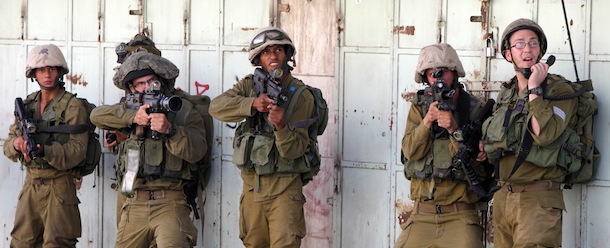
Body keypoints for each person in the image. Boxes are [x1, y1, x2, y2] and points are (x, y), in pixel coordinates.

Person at [209, 27, 314, 247]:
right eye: (266, 52)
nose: (273, 56)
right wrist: (252, 104)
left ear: (287, 55)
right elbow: (216, 107)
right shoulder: (249, 85)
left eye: (278, 50)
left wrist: (281, 126)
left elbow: (295, 151)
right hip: (252, 188)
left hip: (285, 189)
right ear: (258, 58)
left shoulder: (301, 95)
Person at [90, 51, 206, 247]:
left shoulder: (183, 111)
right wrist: (133, 118)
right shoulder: (128, 108)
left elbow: (198, 151)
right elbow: (96, 116)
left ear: (161, 81)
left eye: (151, 82)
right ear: (131, 88)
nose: (146, 88)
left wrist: (170, 130)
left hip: (171, 202)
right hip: (134, 202)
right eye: (140, 84)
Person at [481, 18, 577, 247]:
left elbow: (544, 134)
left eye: (533, 43)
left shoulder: (559, 89)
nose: (528, 49)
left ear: (541, 50)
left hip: (538, 200)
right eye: (520, 44)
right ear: (508, 54)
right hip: (504, 197)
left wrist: (535, 88)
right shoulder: (507, 93)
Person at [396, 43, 489, 248]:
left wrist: (454, 129)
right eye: (431, 74)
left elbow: (478, 160)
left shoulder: (475, 110)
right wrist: (427, 122)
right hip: (422, 215)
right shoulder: (420, 106)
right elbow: (410, 151)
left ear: (455, 73)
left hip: (460, 214)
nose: (437, 79)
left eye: (442, 72)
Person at [3, 44, 89, 247]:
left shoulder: (72, 106)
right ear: (34, 73)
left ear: (59, 72)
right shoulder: (27, 106)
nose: (47, 74)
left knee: (56, 244)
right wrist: (17, 144)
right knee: (22, 242)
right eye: (41, 70)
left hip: (59, 187)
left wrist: (45, 151)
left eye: (52, 69)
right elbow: (8, 146)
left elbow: (78, 151)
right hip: (31, 185)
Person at [107, 33, 163, 227]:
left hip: (163, 191)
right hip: (130, 186)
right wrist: (122, 137)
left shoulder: (171, 102)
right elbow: (97, 116)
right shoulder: (125, 105)